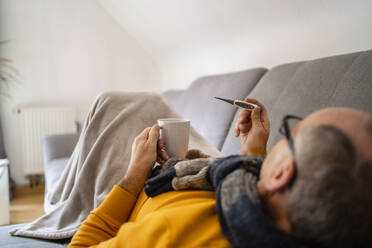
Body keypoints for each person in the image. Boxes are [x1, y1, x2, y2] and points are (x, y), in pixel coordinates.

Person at [69, 97, 372, 248]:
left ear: (282, 174)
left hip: (134, 192)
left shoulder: (179, 232)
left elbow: (81, 245)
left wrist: (134, 173)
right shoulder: (275, 216)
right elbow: (265, 200)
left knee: (123, 101)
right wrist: (254, 153)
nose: (280, 139)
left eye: (291, 132)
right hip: (204, 169)